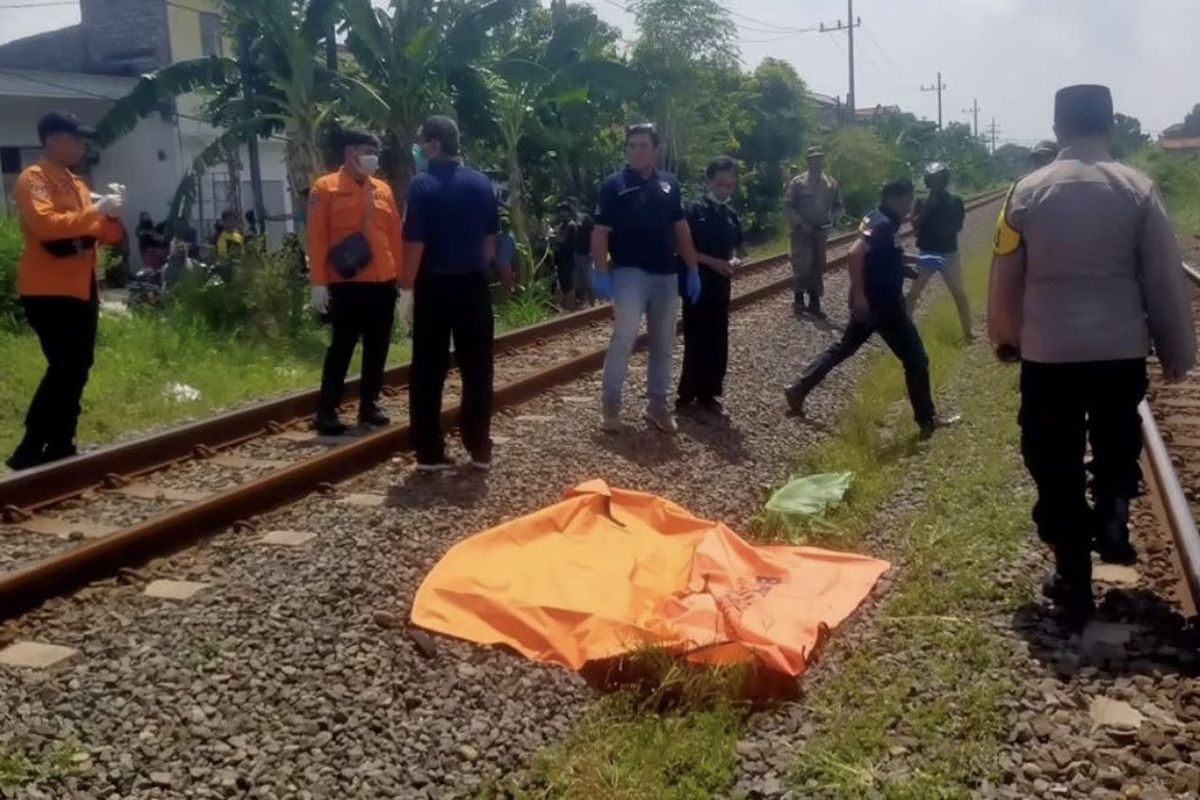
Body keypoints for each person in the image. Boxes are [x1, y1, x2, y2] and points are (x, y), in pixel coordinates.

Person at [989, 84, 1196, 627]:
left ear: (1057, 127)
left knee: (1052, 459)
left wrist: (1005, 336)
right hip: (1119, 351)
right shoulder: (1139, 189)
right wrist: (1176, 350)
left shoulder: (1025, 193)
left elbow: (1006, 274)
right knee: (1116, 439)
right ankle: (1113, 512)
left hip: (1049, 353)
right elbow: (1163, 278)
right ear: (1110, 126)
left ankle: (1073, 577)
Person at [784, 179, 958, 439]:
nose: (909, 207)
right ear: (896, 199)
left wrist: (912, 263)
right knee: (916, 359)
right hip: (884, 306)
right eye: (908, 201)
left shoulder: (876, 218)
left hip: (874, 304)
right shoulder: (884, 224)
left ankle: (798, 389)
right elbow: (855, 253)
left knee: (843, 348)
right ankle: (927, 420)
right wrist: (860, 296)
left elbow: (880, 256)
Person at [5, 112, 125, 470]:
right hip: (48, 290)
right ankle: (31, 446)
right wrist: (94, 212)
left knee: (78, 364)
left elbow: (106, 235)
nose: (81, 146)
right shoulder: (34, 179)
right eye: (76, 138)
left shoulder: (78, 184)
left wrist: (112, 215)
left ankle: (61, 442)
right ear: (54, 140)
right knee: (65, 365)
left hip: (82, 286)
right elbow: (46, 226)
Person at [404, 115, 509, 472]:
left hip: (433, 286)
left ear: (434, 145)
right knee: (478, 368)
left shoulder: (421, 185)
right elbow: (490, 241)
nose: (419, 148)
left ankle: (429, 452)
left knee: (428, 370)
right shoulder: (480, 183)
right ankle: (478, 446)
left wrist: (406, 289)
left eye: (422, 142)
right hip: (473, 285)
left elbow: (414, 243)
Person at [592, 122, 702, 434]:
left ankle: (657, 406)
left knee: (664, 344)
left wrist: (693, 268)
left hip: (666, 275)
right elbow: (600, 233)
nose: (637, 151)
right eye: (632, 145)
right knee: (623, 339)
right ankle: (611, 407)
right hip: (630, 274)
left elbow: (681, 228)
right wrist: (601, 273)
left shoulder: (669, 184)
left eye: (643, 145)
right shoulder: (614, 185)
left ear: (656, 150)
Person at [307, 129, 404, 435]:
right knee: (342, 347)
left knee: (378, 346)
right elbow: (317, 238)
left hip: (382, 281)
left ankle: (369, 406)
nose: (373, 157)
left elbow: (395, 236)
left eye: (375, 152)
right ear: (351, 153)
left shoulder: (382, 190)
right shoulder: (325, 188)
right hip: (346, 283)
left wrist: (404, 283)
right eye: (368, 151)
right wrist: (318, 283)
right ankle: (327, 411)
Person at [677, 156, 743, 419]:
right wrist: (711, 262)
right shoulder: (694, 210)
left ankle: (709, 393)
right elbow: (683, 247)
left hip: (721, 283)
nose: (724, 190)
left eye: (729, 185)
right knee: (696, 337)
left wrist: (734, 259)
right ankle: (687, 394)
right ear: (709, 182)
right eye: (720, 184)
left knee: (718, 337)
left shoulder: (731, 214)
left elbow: (737, 245)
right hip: (697, 281)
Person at [906, 163, 972, 342]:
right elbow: (914, 225)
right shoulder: (921, 202)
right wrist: (929, 209)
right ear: (928, 181)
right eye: (933, 180)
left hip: (949, 254)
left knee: (959, 294)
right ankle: (906, 332)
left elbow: (957, 226)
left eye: (940, 180)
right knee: (913, 293)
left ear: (945, 181)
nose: (937, 184)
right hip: (926, 253)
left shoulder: (956, 201)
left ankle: (968, 332)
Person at [785, 145, 844, 319]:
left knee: (818, 266)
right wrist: (799, 223)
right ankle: (798, 299)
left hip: (821, 231)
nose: (816, 162)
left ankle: (815, 302)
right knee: (801, 265)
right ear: (808, 161)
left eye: (819, 159)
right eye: (813, 159)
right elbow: (788, 206)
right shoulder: (797, 183)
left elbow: (839, 206)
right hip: (802, 232)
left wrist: (833, 220)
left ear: (823, 161)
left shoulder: (831, 183)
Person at [572, 207, 595, 307]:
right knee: (579, 283)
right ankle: (582, 303)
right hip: (576, 255)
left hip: (586, 255)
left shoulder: (586, 219)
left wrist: (592, 251)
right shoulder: (571, 221)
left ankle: (592, 305)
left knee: (590, 282)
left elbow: (593, 234)